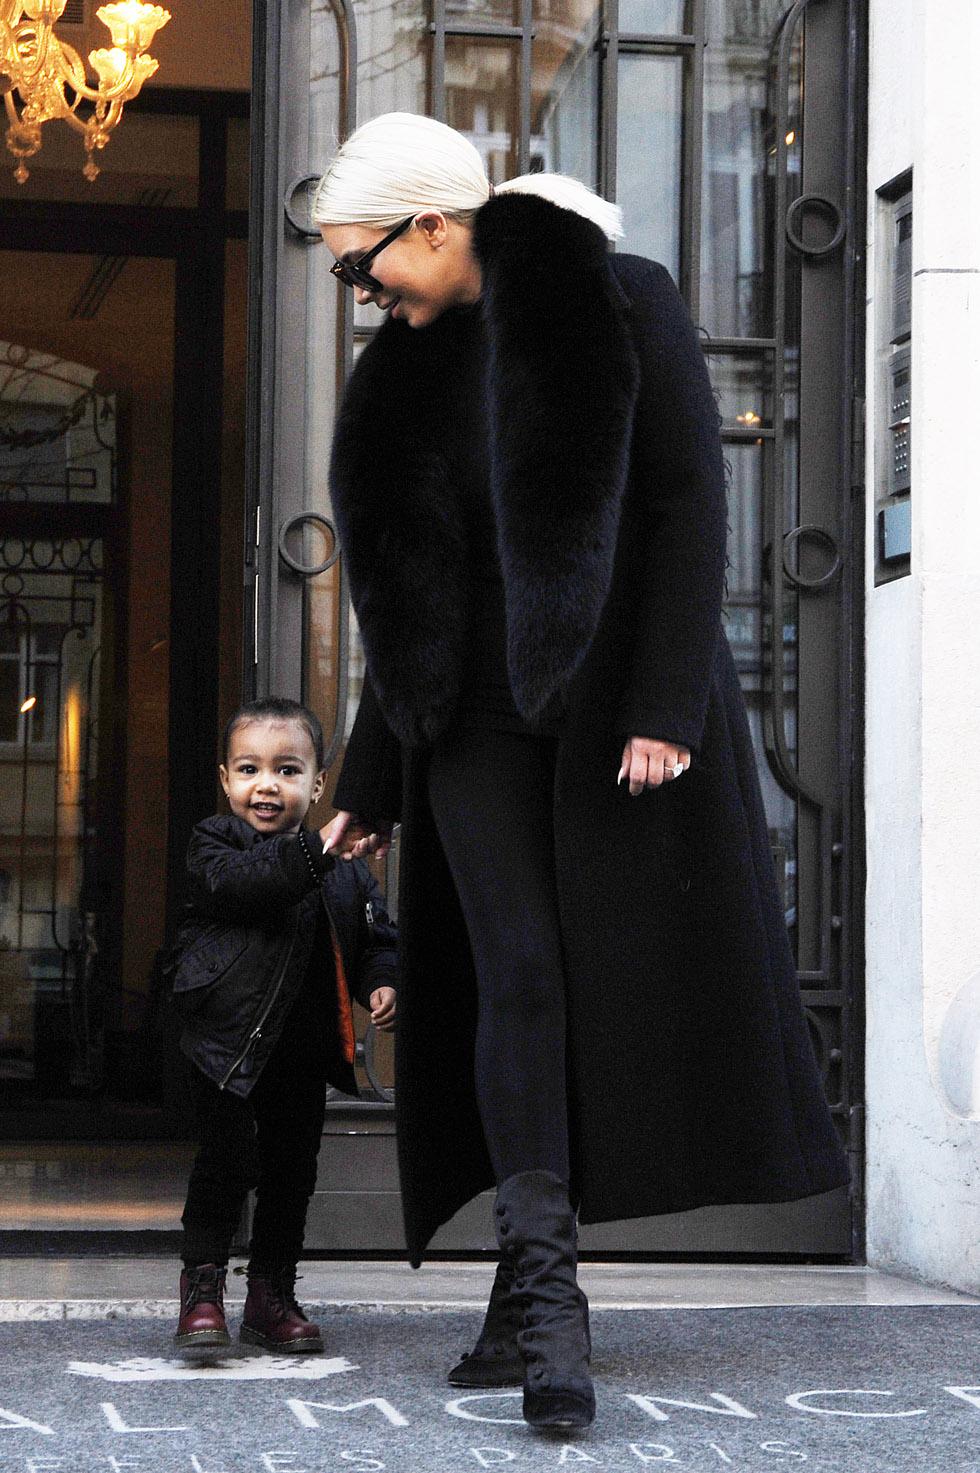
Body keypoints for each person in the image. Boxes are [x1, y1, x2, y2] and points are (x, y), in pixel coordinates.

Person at [314, 113, 850, 1428]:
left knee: (608, 982)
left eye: (363, 262)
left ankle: (524, 1288)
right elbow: (406, 591)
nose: (364, 289)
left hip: (614, 705)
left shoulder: (623, 297)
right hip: (473, 722)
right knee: (519, 975)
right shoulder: (407, 368)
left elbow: (685, 498)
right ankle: (547, 1295)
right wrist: (367, 783)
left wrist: (671, 698)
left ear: (435, 226)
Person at [168, 697, 397, 1355]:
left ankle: (272, 1295)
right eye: (249, 768)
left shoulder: (345, 868)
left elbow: (377, 934)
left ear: (318, 784)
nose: (266, 784)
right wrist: (317, 850)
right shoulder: (216, 843)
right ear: (225, 778)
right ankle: (203, 1291)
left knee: (291, 1173)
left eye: (287, 770)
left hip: (302, 1052)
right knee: (226, 1162)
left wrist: (383, 978)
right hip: (225, 1049)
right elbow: (251, 884)